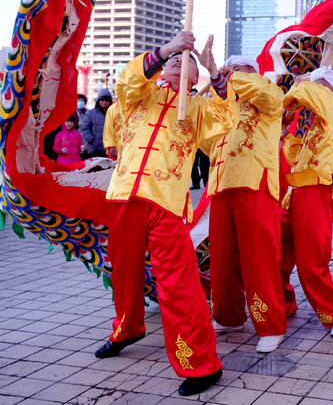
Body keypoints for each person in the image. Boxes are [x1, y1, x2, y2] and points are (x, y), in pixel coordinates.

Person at [96, 31, 233, 397]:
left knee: (178, 283)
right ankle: (127, 328)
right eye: (173, 58)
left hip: (166, 202)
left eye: (184, 61)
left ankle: (202, 364)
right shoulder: (141, 94)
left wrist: (214, 72)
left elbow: (228, 119)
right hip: (124, 194)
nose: (177, 61)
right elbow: (126, 80)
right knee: (123, 270)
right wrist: (168, 47)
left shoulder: (199, 109)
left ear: (194, 78)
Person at [202, 55, 287, 353]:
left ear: (253, 72)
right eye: (228, 70)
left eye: (237, 70)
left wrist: (218, 75)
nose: (231, 75)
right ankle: (228, 317)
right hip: (222, 181)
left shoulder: (269, 91)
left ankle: (270, 324)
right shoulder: (223, 104)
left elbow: (266, 97)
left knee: (258, 257)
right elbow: (208, 141)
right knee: (222, 256)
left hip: (255, 180)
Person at [279, 68, 333, 337]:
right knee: (277, 251)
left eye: (320, 86)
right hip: (298, 190)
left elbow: (305, 91)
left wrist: (300, 83)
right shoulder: (317, 122)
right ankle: (284, 303)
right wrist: (286, 136)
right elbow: (296, 156)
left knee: (311, 260)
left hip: (319, 188)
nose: (313, 90)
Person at [81, 88, 112, 158]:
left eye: (107, 100)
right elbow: (85, 128)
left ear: (110, 101)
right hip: (94, 149)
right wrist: (92, 140)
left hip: (108, 149)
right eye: (102, 100)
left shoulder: (113, 113)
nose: (104, 102)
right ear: (98, 101)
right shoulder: (90, 113)